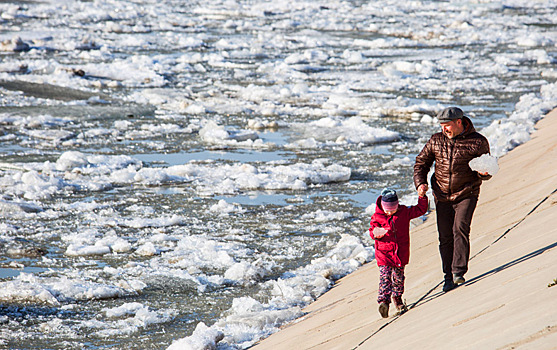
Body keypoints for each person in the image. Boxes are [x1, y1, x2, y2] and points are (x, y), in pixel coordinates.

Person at [413, 106, 492, 293]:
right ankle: (447, 277)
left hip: (467, 192)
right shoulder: (436, 140)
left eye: (447, 125)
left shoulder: (478, 142)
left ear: (459, 122)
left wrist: (484, 173)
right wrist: (420, 183)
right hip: (441, 195)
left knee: (460, 229)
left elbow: (488, 168)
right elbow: (421, 163)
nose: (444, 129)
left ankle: (458, 272)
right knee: (445, 237)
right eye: (441, 126)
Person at [369, 187, 428, 318]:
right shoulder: (377, 217)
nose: (390, 213)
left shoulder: (404, 212)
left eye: (393, 210)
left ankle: (398, 299)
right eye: (387, 211)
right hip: (384, 254)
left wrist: (422, 197)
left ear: (397, 205)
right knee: (385, 277)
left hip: (400, 253)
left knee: (398, 278)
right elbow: (371, 231)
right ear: (382, 207)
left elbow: (420, 209)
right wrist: (376, 233)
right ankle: (383, 302)